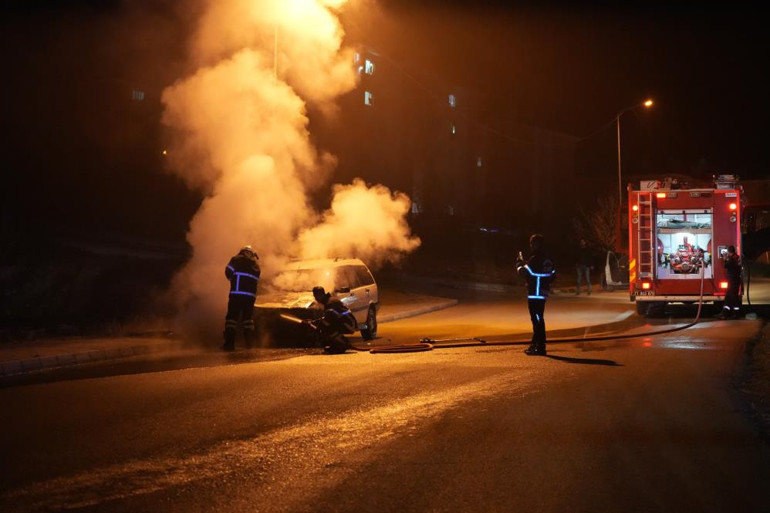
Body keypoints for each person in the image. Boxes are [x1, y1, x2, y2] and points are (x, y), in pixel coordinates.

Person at [516, 234, 556, 356]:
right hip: (543, 292)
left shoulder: (535, 258)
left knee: (537, 320)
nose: (531, 246)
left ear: (535, 244)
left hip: (535, 292)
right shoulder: (548, 258)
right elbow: (553, 275)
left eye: (532, 244)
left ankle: (540, 346)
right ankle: (535, 344)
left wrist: (519, 264)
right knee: (538, 318)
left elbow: (524, 273)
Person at [222, 245, 261, 351]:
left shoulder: (236, 260)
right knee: (248, 321)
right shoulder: (256, 265)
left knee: (231, 320)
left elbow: (228, 272)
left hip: (237, 295)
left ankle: (229, 345)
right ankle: (250, 345)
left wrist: (233, 279)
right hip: (250, 297)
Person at [311, 286, 357, 354]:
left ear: (320, 295)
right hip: (346, 322)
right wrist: (316, 322)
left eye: (315, 296)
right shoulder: (329, 301)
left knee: (327, 329)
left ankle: (344, 344)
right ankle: (337, 345)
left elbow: (329, 319)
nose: (315, 298)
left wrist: (318, 326)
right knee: (326, 327)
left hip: (349, 324)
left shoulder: (330, 303)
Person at [720, 245, 742, 319]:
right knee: (728, 297)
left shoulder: (732, 259)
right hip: (734, 280)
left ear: (729, 252)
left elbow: (726, 266)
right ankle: (725, 313)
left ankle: (736, 314)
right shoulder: (736, 257)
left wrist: (725, 259)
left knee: (733, 297)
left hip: (733, 280)